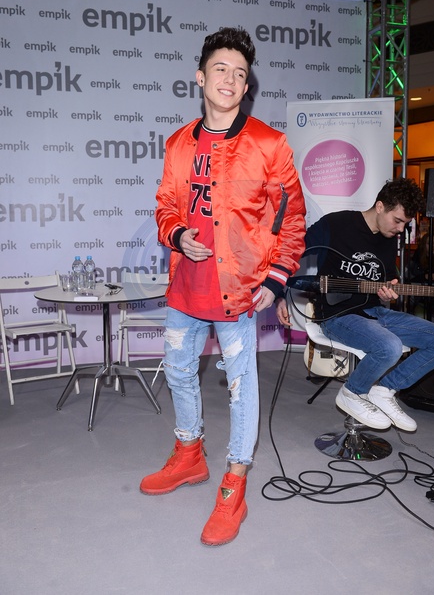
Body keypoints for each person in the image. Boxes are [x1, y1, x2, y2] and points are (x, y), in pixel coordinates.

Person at [140, 27, 306, 546]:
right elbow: (166, 205)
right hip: (185, 288)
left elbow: (291, 218)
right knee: (179, 372)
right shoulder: (178, 144)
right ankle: (189, 454)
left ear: (247, 84)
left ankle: (235, 481)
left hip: (238, 290)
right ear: (200, 77)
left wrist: (277, 279)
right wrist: (177, 234)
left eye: (240, 73)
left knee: (240, 388)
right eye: (220, 69)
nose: (230, 79)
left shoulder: (269, 144)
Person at [276, 177, 434, 432]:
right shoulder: (336, 225)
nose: (400, 229)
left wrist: (388, 292)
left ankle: (385, 390)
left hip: (375, 312)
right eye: (397, 220)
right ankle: (353, 392)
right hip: (337, 315)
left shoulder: (389, 238)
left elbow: (385, 280)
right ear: (380, 206)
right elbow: (289, 254)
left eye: (405, 224)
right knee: (389, 347)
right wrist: (278, 293)